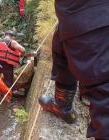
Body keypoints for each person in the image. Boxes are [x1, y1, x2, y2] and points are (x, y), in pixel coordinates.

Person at [38, 1, 109, 139]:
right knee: (62, 40)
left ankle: (63, 105)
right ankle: (63, 104)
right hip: (75, 16)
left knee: (104, 93)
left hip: (89, 15)